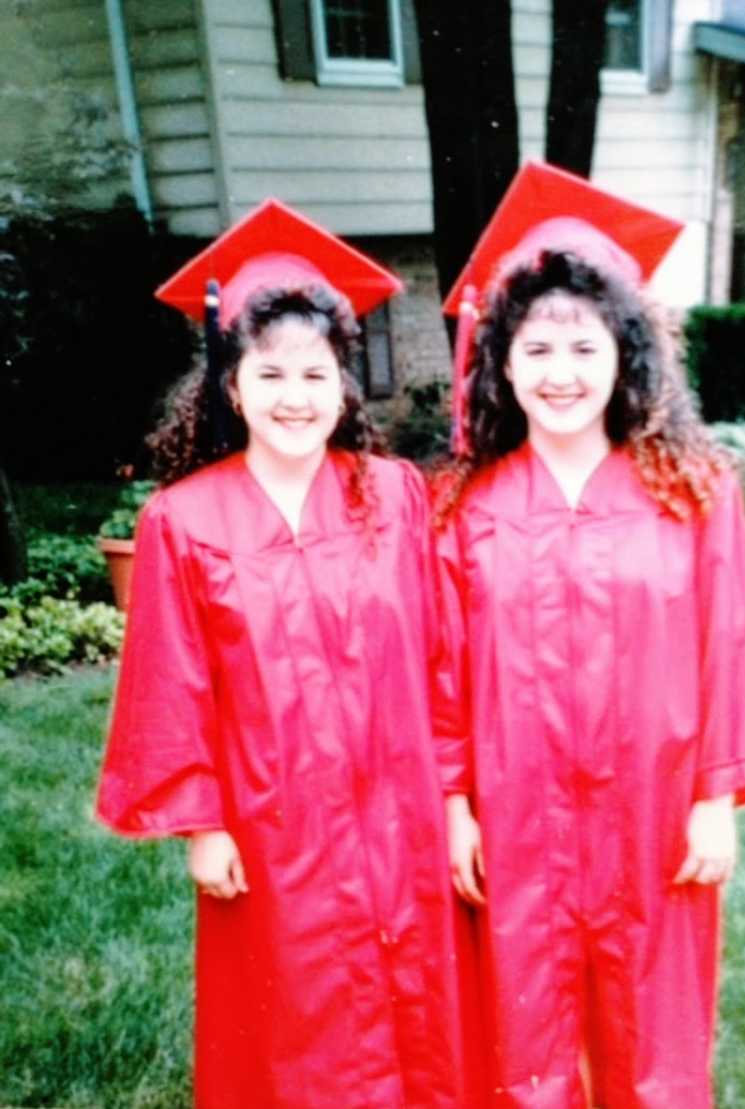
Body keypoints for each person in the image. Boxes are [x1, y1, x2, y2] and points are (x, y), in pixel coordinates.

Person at [431, 163, 745, 1109]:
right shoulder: (466, 509)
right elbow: (440, 669)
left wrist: (718, 796)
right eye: (537, 349)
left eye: (584, 347)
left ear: (625, 356)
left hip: (656, 801)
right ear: (501, 362)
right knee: (524, 1029)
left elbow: (734, 650)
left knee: (655, 1034)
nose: (560, 373)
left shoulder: (691, 492)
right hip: (516, 810)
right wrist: (454, 803)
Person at [96, 199, 469, 1108]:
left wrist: (457, 796)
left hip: (403, 812)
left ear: (345, 382)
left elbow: (442, 660)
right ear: (230, 387)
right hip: (272, 823)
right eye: (270, 374)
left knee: (418, 1011)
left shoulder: (394, 496)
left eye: (316, 371)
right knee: (297, 1019)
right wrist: (203, 821)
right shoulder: (183, 522)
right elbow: (168, 686)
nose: (295, 396)